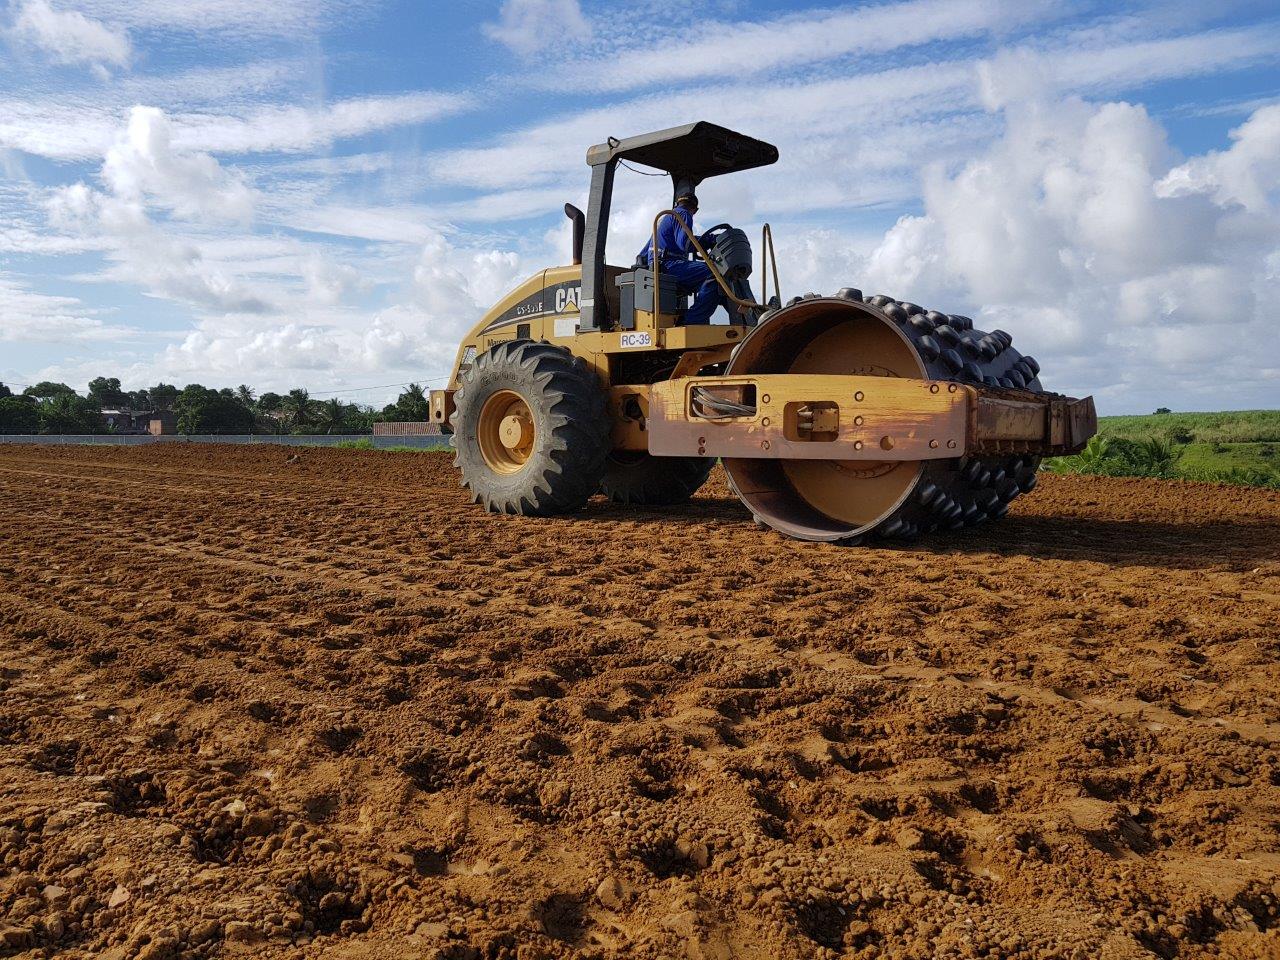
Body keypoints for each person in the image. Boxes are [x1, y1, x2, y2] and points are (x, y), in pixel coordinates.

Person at [637, 184, 741, 326]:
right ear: (695, 210)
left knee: (722, 285)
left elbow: (644, 252)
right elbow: (685, 243)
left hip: (659, 266)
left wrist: (707, 240)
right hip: (669, 266)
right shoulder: (683, 214)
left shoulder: (666, 218)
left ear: (677, 203)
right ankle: (692, 321)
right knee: (716, 274)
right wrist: (709, 241)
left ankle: (744, 314)